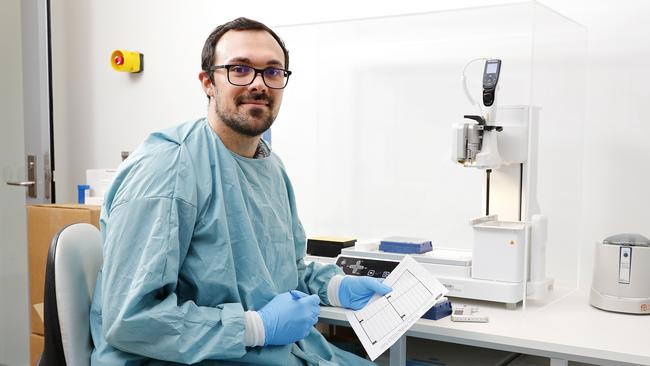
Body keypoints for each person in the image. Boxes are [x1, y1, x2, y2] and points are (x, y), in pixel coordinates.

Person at [90, 17, 392, 365]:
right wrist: (255, 328)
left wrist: (336, 287)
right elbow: (130, 319)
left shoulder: (269, 166)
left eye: (273, 72)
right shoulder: (168, 169)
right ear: (208, 82)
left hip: (272, 352)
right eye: (240, 69)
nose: (259, 84)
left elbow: (282, 272)